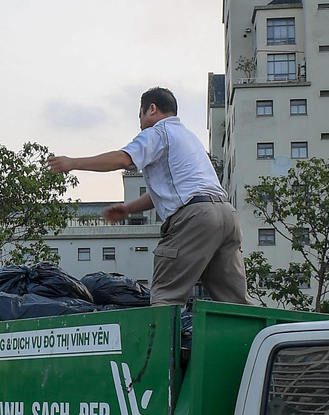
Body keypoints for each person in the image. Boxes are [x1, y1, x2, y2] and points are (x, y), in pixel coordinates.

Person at [47, 87, 250, 305]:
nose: (140, 124)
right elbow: (170, 191)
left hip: (195, 218)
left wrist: (73, 163)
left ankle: (163, 338)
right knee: (235, 302)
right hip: (227, 216)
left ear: (151, 109)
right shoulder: (189, 139)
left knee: (166, 298)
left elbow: (123, 159)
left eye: (140, 116)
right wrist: (128, 209)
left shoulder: (158, 133)